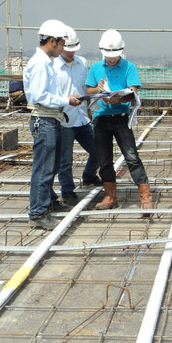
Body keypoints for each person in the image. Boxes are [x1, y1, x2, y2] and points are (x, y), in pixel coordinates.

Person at [85, 29, 152, 217]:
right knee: (104, 160)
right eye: (109, 56)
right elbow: (88, 90)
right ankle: (110, 196)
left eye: (114, 56)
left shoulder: (129, 67)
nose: (112, 59)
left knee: (132, 157)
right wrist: (97, 89)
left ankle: (145, 198)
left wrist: (118, 99)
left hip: (120, 119)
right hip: (101, 119)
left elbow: (132, 91)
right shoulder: (96, 67)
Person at [23, 19, 81, 230]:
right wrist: (66, 100)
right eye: (62, 44)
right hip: (44, 120)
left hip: (50, 120)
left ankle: (45, 204)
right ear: (53, 41)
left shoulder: (45, 62)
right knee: (44, 169)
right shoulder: (40, 63)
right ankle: (38, 213)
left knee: (50, 166)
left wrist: (65, 98)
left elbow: (47, 94)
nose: (63, 48)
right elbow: (40, 96)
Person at [54, 26, 102, 207]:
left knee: (98, 150)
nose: (71, 52)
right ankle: (67, 191)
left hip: (82, 117)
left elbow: (86, 88)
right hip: (64, 120)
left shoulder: (82, 62)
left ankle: (89, 176)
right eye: (68, 49)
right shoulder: (54, 66)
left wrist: (94, 97)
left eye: (74, 49)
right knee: (65, 159)